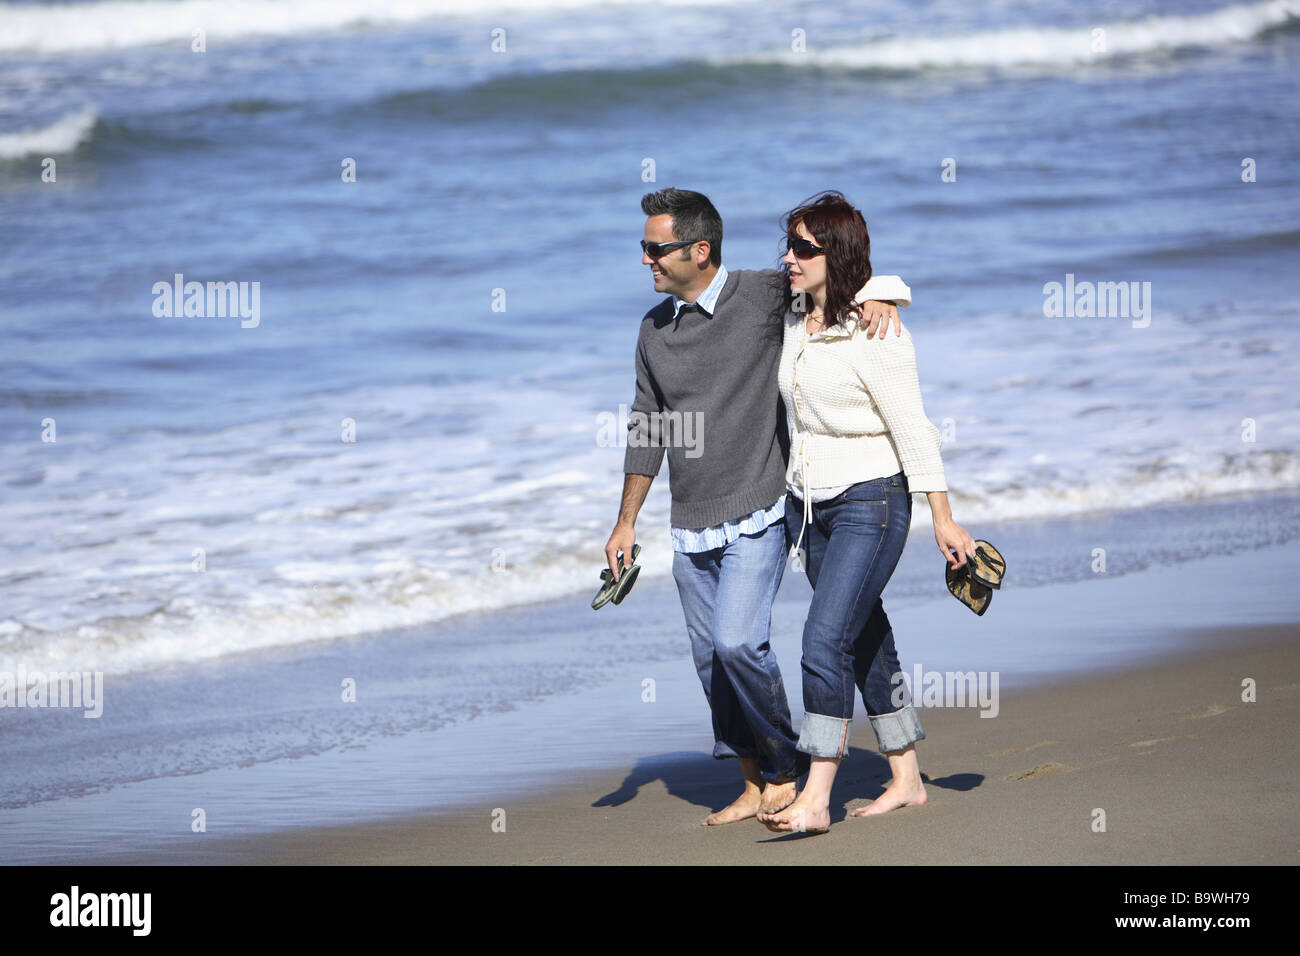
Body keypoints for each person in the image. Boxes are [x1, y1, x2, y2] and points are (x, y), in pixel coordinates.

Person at [604, 187, 912, 826]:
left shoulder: (762, 296)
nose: (645, 261)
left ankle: (784, 770)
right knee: (712, 662)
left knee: (740, 643)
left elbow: (834, 271)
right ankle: (755, 782)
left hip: (760, 505)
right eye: (643, 248)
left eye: (654, 249)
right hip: (688, 520)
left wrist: (885, 296)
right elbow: (647, 426)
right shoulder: (653, 331)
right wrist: (626, 521)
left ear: (700, 249)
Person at [759, 190, 977, 835]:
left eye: (805, 247)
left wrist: (943, 515)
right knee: (862, 638)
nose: (791, 259)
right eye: (789, 245)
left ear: (837, 253)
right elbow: (743, 290)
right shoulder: (797, 315)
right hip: (811, 507)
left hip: (872, 501)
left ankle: (816, 794)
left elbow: (915, 429)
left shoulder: (877, 330)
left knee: (822, 640)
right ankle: (907, 778)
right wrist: (884, 286)